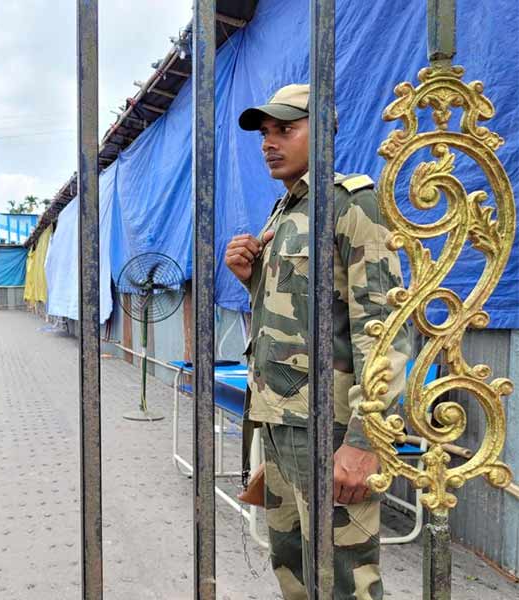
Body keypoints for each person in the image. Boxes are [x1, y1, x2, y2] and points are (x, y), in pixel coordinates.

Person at [225, 84, 410, 600]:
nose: (269, 143)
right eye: (266, 133)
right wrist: (250, 278)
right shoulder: (285, 212)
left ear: (324, 132)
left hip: (329, 428)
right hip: (281, 420)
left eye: (286, 129)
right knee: (293, 567)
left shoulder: (352, 204)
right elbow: (307, 315)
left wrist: (364, 441)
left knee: (343, 576)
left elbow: (385, 328)